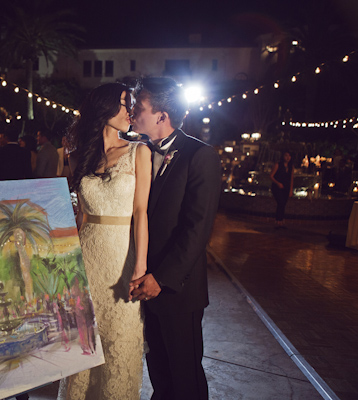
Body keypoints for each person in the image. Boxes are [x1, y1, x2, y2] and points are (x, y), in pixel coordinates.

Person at [129, 77, 221, 400]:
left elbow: (197, 230)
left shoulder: (200, 156)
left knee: (186, 379)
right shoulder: (137, 153)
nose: (131, 112)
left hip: (177, 290)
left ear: (161, 116)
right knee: (160, 375)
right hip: (144, 285)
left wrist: (162, 278)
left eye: (138, 107)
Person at [59, 82, 151, 399]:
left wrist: (140, 268)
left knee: (119, 345)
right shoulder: (80, 156)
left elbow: (141, 212)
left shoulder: (140, 152)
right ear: (104, 108)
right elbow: (79, 217)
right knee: (84, 347)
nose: (131, 112)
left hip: (122, 260)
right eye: (125, 104)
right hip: (85, 260)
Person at [270, 151, 294, 228]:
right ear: (283, 156)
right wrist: (278, 183)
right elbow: (271, 176)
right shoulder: (278, 165)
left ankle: (281, 220)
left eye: (289, 156)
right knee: (280, 202)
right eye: (286, 155)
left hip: (286, 187)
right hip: (277, 187)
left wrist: (291, 190)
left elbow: (291, 179)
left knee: (283, 203)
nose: (287, 158)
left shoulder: (291, 166)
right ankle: (278, 220)